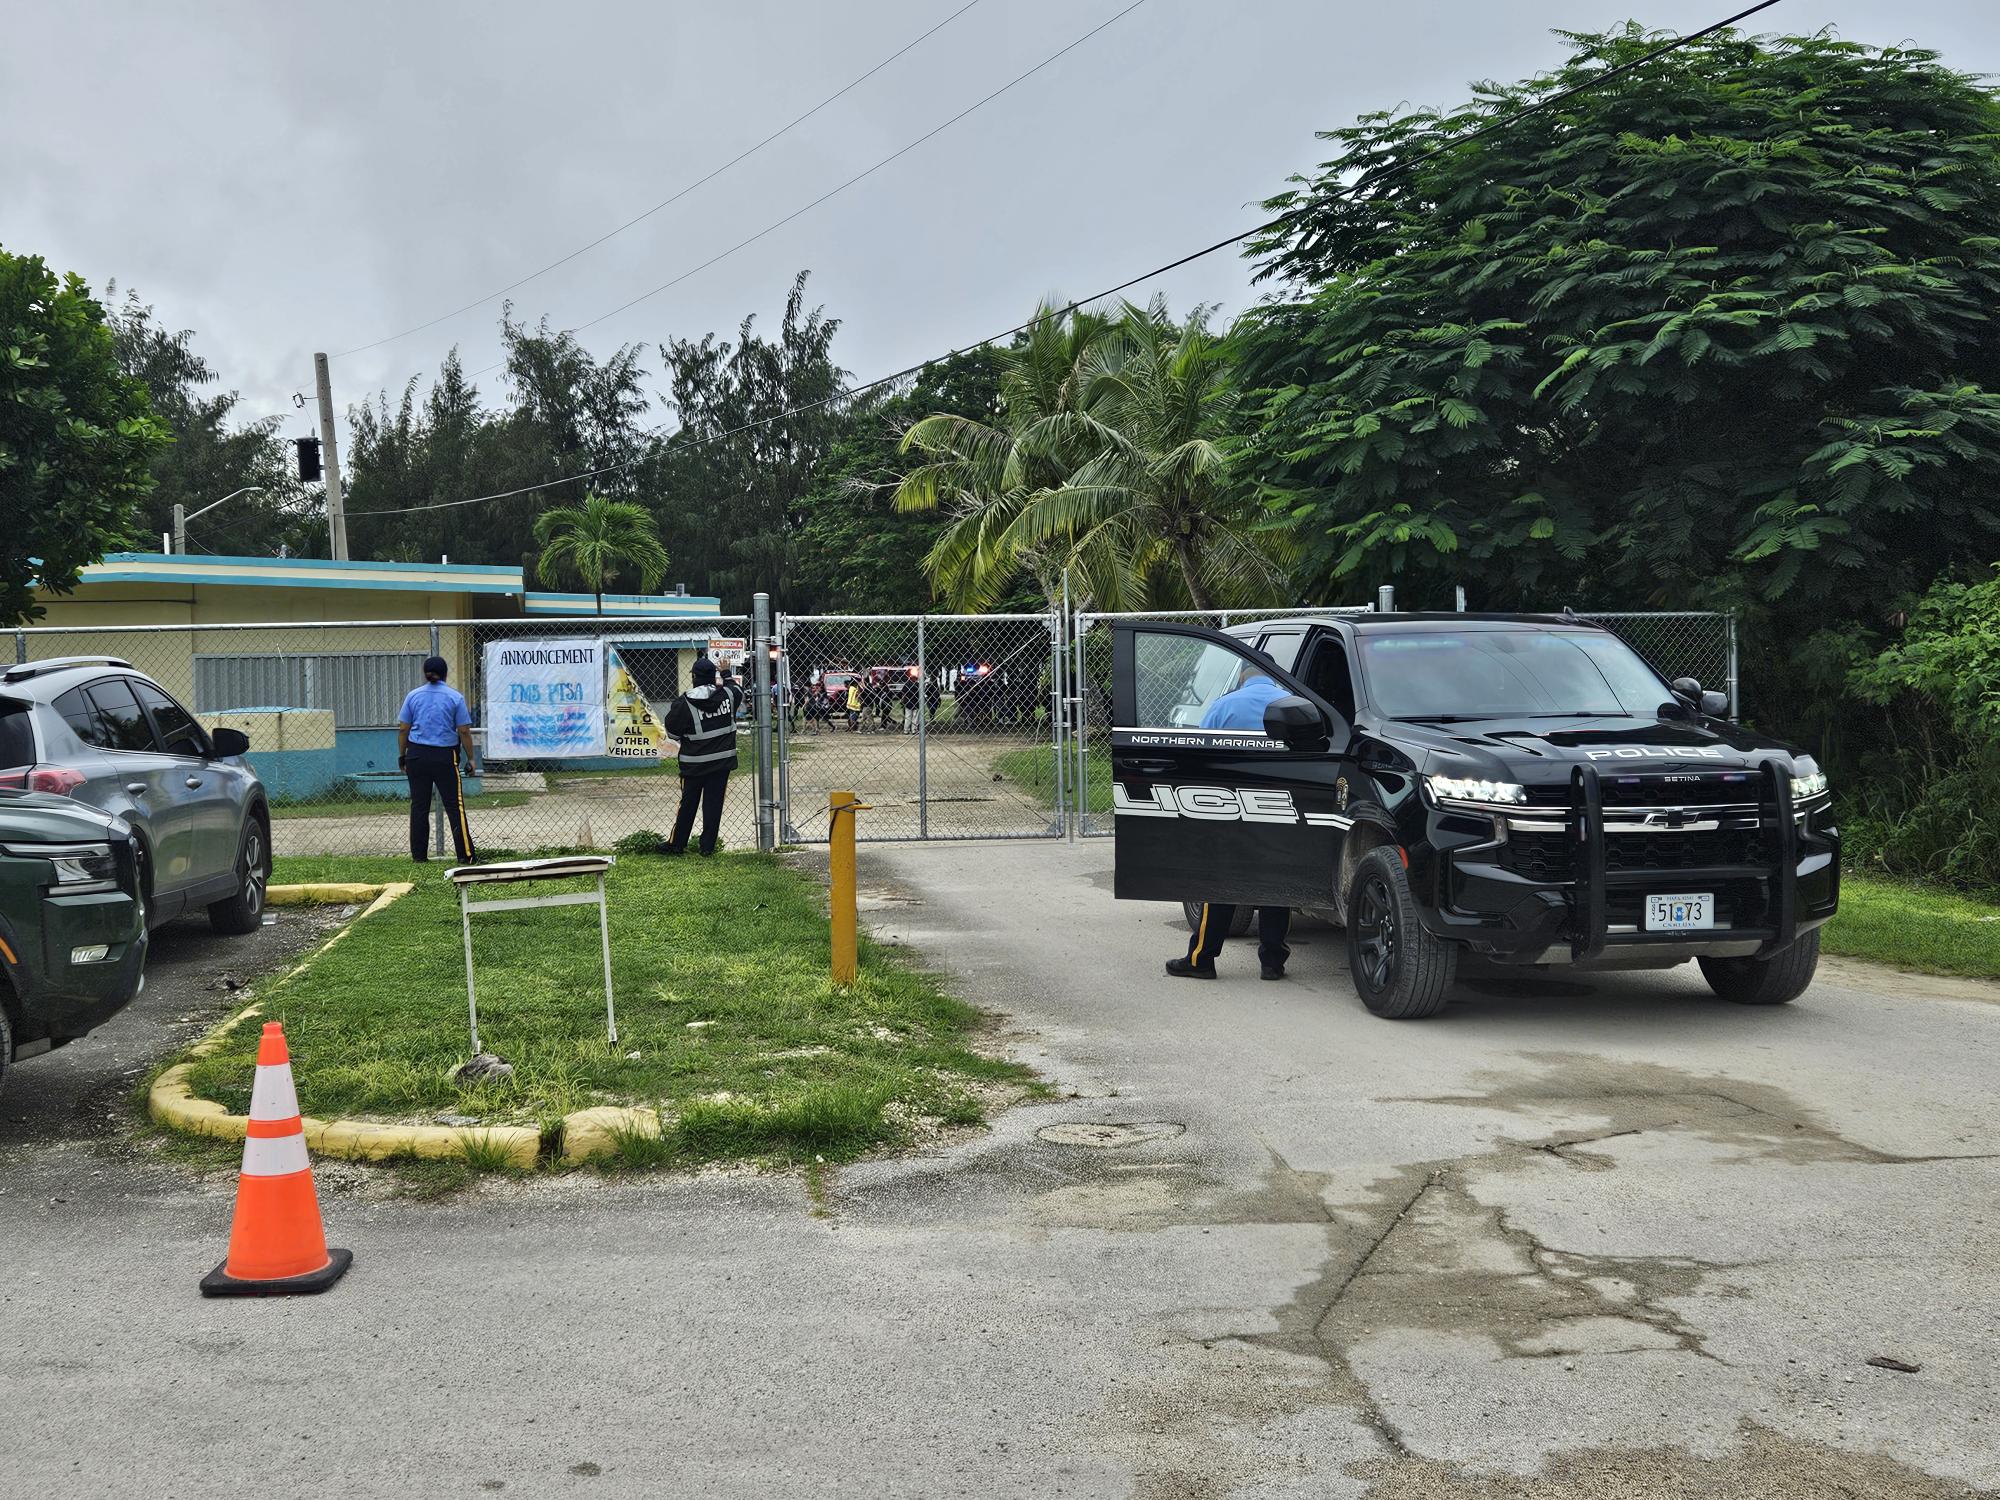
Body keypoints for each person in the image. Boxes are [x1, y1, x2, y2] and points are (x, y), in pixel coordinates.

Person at [1165, 660, 1293, 981]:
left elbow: (1198, 757)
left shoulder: (1224, 706)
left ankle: (1202, 959)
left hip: (1232, 806)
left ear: (1241, 675)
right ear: (1275, 677)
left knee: (1220, 883)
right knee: (1277, 884)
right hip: (1280, 807)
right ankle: (1272, 963)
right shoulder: (1293, 706)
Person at [397, 655, 478, 865]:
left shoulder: (413, 696)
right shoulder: (455, 697)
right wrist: (471, 758)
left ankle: (419, 856)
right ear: (445, 673)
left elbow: (404, 728)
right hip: (445, 756)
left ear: (425, 673)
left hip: (416, 754)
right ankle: (465, 855)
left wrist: (403, 755)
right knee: (454, 806)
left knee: (419, 806)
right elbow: (464, 731)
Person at [663, 658, 737, 856]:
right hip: (721, 762)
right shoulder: (727, 695)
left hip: (694, 765)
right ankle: (707, 848)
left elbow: (672, 733)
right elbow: (736, 689)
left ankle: (677, 844)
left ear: (694, 677)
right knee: (713, 805)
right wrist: (727, 673)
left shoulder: (683, 703)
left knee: (687, 804)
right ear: (713, 676)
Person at [901, 670, 921, 734]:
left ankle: (906, 730)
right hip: (916, 702)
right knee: (915, 717)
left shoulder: (907, 684)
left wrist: (903, 700)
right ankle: (914, 730)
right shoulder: (917, 685)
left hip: (908, 702)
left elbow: (903, 693)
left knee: (908, 716)